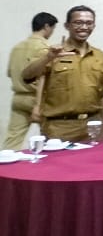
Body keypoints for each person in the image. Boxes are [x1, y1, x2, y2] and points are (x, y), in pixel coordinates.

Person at [22, 6, 103, 142]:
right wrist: (48, 57)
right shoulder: (52, 53)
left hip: (93, 127)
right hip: (59, 129)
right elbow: (27, 75)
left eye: (89, 23)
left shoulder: (100, 56)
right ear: (67, 26)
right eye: (78, 22)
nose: (84, 27)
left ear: (94, 26)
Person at [5, 12, 57, 149]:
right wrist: (38, 105)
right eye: (53, 28)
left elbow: (10, 73)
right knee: (50, 138)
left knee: (13, 140)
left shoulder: (17, 47)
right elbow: (43, 77)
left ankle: (6, 161)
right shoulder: (45, 49)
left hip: (18, 98)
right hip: (37, 99)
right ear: (47, 26)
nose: (52, 32)